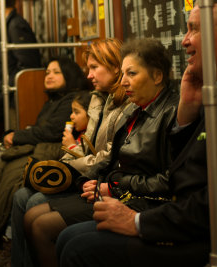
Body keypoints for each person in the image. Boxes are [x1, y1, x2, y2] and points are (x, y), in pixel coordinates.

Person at [56, 2, 217, 267]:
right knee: (66, 238)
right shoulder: (211, 95)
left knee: (77, 247)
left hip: (214, 239)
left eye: (193, 29)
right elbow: (185, 178)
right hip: (182, 217)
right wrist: (185, 120)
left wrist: (135, 220)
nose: (184, 41)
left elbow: (210, 200)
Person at [24, 38, 179, 267]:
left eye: (132, 74)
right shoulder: (135, 109)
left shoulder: (169, 112)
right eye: (123, 74)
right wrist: (93, 182)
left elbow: (167, 181)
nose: (124, 82)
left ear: (157, 76)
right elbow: (113, 159)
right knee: (32, 214)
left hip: (141, 202)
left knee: (48, 229)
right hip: (116, 189)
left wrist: (112, 186)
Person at [10, 38, 129, 267]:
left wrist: (71, 163)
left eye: (94, 68)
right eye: (88, 69)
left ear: (115, 67)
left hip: (97, 180)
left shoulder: (125, 104)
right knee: (21, 194)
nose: (89, 76)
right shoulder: (97, 99)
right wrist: (69, 157)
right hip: (86, 174)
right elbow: (86, 147)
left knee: (34, 205)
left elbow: (106, 155)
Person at [0, 57, 90, 267]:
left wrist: (17, 137)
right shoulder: (52, 101)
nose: (49, 76)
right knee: (5, 172)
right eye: (47, 72)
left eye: (56, 72)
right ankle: (7, 245)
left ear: (69, 75)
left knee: (18, 184)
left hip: (55, 155)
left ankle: (9, 244)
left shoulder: (73, 99)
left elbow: (51, 131)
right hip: (45, 149)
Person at [0, 0, 41, 127]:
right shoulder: (6, 25)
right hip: (12, 94)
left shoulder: (15, 25)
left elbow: (27, 64)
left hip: (16, 95)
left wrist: (9, 85)